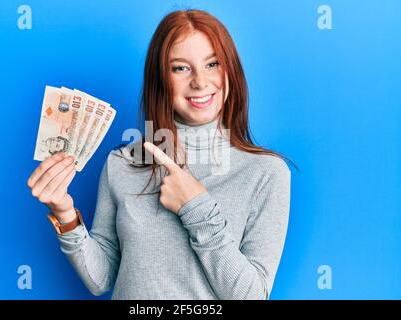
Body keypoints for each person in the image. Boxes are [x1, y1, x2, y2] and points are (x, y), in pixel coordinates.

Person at [27, 9, 293, 300]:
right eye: (181, 68)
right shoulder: (123, 163)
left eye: (212, 64)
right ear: (160, 79)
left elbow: (252, 296)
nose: (200, 82)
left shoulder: (266, 172)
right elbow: (101, 280)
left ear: (230, 71)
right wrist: (65, 214)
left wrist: (195, 207)